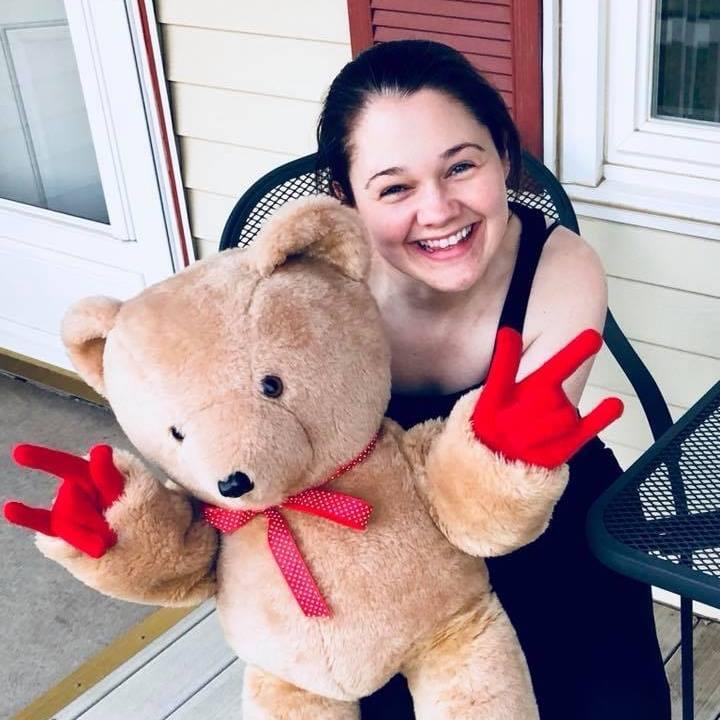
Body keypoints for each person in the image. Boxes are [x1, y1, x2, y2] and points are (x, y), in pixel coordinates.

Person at [315, 40, 671, 719]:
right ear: (345, 198)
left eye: (461, 167)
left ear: (503, 156)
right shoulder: (314, 290)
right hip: (376, 549)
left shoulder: (560, 269)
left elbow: (494, 494)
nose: (440, 210)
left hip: (539, 519)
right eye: (394, 187)